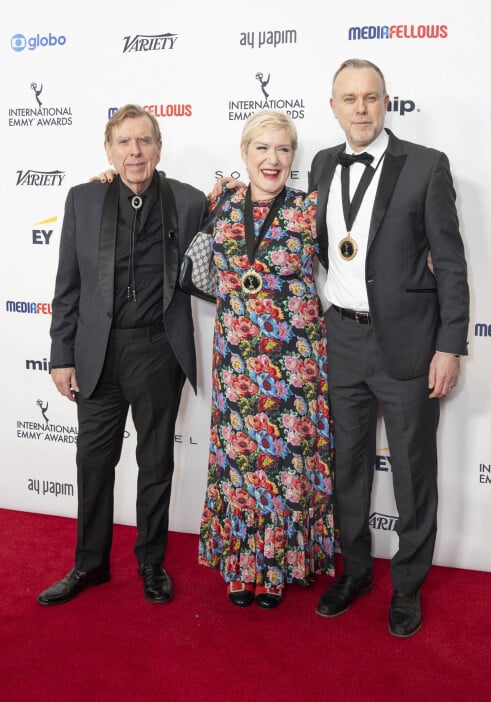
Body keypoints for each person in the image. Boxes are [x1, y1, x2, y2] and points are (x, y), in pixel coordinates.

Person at [309, 59, 469, 637]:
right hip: (341, 340)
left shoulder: (427, 166)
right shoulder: (322, 165)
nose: (360, 108)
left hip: (408, 345)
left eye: (370, 98)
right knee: (346, 468)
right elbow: (319, 246)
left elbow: (450, 264)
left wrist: (449, 346)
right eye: (349, 99)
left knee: (412, 472)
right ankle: (354, 572)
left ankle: (407, 586)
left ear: (385, 103)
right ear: (333, 107)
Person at [36, 104, 207, 606]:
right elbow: (66, 285)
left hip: (158, 349)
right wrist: (60, 354)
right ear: (108, 150)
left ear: (159, 147)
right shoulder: (83, 199)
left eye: (144, 141)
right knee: (93, 462)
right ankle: (89, 565)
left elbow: (231, 239)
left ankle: (151, 564)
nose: (135, 152)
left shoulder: (190, 201)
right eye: (124, 143)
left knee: (156, 463)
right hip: (98, 354)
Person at [197, 110, 335, 609]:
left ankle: (276, 567)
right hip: (236, 361)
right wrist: (106, 179)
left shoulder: (311, 209)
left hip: (293, 361)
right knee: (240, 463)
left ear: (292, 157)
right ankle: (240, 565)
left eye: (281, 149)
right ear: (244, 152)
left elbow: (356, 260)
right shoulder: (220, 201)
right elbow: (157, 211)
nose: (271, 159)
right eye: (261, 148)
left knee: (284, 462)